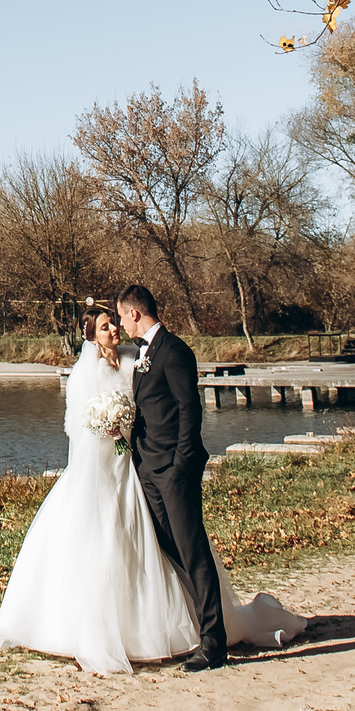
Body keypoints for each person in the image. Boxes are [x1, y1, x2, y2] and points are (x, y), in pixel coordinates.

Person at [0, 307, 202, 673]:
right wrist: (105, 428)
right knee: (104, 540)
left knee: (143, 536)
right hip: (102, 464)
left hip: (134, 461)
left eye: (114, 323)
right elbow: (76, 426)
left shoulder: (134, 359)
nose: (114, 330)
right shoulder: (84, 374)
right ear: (91, 336)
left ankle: (157, 624)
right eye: (105, 327)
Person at [115, 283, 306, 669]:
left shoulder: (175, 351)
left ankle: (214, 643)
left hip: (174, 469)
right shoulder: (141, 354)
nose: (121, 324)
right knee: (170, 549)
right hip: (148, 467)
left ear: (134, 313)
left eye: (121, 316)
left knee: (194, 551)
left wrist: (182, 463)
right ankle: (196, 626)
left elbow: (190, 410)